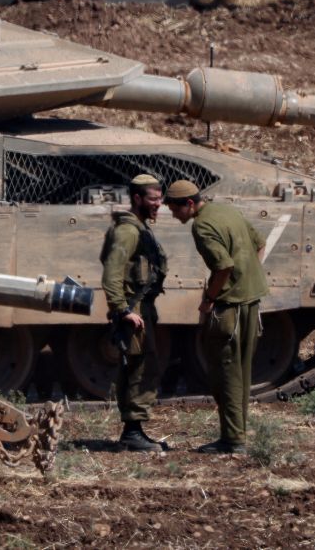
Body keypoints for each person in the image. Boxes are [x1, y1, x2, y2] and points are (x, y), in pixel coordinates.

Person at [165, 179, 268, 454]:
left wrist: (209, 299)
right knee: (242, 372)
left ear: (189, 204)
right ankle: (237, 433)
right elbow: (260, 243)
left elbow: (223, 265)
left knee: (226, 374)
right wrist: (246, 278)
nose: (173, 215)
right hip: (251, 302)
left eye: (175, 209)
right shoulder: (227, 211)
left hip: (229, 308)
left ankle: (233, 440)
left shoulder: (202, 225)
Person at [99, 173, 168, 452]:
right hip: (134, 308)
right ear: (137, 198)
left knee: (143, 365)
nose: (159, 204)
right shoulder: (128, 231)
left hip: (140, 306)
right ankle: (132, 431)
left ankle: (135, 430)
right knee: (140, 368)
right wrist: (122, 309)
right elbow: (112, 273)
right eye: (153, 198)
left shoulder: (137, 227)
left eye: (160, 198)